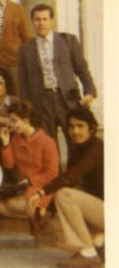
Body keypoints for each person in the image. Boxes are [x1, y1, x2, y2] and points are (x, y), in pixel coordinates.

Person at [29, 108, 104, 268]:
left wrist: (41, 192)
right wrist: (47, 211)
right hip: (101, 210)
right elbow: (68, 182)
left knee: (65, 195)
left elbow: (71, 176)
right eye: (71, 126)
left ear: (91, 128)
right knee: (66, 193)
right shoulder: (77, 148)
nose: (75, 131)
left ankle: (89, 251)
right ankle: (96, 245)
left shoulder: (98, 148)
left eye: (80, 126)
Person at [18, 4, 97, 148]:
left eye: (45, 19)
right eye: (37, 20)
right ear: (32, 21)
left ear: (51, 20)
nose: (41, 23)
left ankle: (76, 170)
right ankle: (55, 171)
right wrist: (26, 109)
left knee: (75, 138)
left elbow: (82, 68)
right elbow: (23, 83)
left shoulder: (68, 41)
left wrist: (90, 91)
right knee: (48, 143)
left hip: (67, 97)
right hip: (42, 101)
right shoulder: (25, 49)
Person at [0, 100, 58, 221]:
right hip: (23, 188)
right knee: (0, 207)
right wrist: (6, 143)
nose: (11, 124)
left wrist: (30, 180)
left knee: (10, 204)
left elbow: (52, 173)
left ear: (26, 120)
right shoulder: (16, 139)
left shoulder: (47, 142)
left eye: (14, 120)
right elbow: (9, 165)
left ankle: (43, 209)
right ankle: (37, 214)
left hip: (42, 188)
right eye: (11, 120)